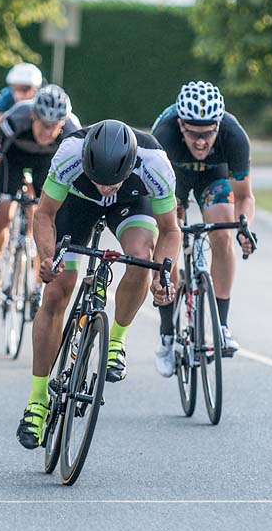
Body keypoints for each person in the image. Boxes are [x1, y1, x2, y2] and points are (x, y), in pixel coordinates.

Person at [16, 119, 181, 449]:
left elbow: (171, 231)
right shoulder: (69, 153)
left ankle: (116, 341)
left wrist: (164, 274)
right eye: (99, 179)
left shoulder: (154, 162)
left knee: (139, 257)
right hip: (77, 205)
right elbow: (45, 214)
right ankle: (37, 401)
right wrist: (47, 258)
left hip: (131, 204)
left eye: (114, 180)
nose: (107, 187)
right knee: (56, 292)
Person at [151, 81, 256, 377]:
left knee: (222, 234)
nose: (200, 142)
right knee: (169, 244)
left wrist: (244, 227)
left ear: (218, 125)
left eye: (208, 133)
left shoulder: (233, 136)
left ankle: (221, 327)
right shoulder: (164, 135)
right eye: (194, 133)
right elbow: (157, 200)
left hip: (214, 175)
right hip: (174, 179)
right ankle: (167, 332)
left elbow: (245, 197)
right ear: (181, 124)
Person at [0, 84, 79, 317]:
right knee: (2, 214)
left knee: (43, 221)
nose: (47, 132)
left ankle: (36, 286)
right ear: (33, 116)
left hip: (46, 163)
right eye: (44, 125)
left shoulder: (72, 131)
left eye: (54, 127)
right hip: (13, 159)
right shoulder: (14, 120)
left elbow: (76, 178)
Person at [0, 63, 43, 202]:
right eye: (14, 89)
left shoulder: (43, 99)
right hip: (10, 145)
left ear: (36, 89)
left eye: (24, 90)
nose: (18, 95)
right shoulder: (7, 97)